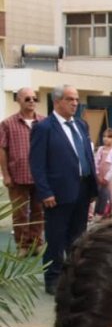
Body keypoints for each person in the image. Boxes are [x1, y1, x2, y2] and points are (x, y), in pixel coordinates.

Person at [30, 85, 98, 296]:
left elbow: (87, 156)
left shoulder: (81, 125)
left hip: (83, 188)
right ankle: (53, 278)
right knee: (56, 237)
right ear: (57, 101)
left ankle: (75, 277)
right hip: (57, 193)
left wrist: (93, 187)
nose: (75, 103)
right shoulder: (44, 128)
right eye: (70, 99)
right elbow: (37, 164)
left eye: (76, 99)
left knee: (78, 237)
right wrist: (45, 192)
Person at [0, 87, 46, 254]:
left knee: (39, 211)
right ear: (18, 100)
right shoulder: (7, 124)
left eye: (34, 98)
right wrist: (5, 174)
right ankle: (22, 246)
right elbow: (2, 149)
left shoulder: (44, 122)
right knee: (20, 213)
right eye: (27, 99)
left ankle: (36, 244)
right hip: (17, 176)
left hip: (40, 176)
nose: (32, 101)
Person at [93, 129, 112, 220]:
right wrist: (97, 174)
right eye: (104, 136)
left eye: (109, 137)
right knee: (101, 193)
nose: (106, 139)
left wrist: (106, 177)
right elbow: (96, 161)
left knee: (111, 193)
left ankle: (111, 213)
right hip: (100, 173)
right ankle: (101, 211)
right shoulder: (100, 148)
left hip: (110, 175)